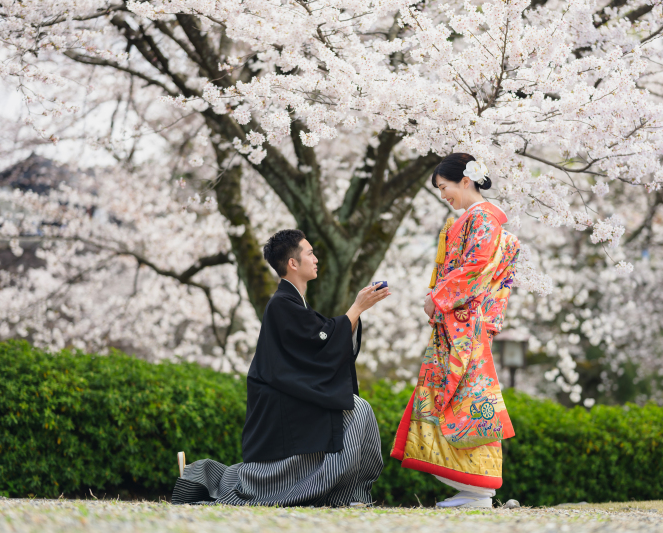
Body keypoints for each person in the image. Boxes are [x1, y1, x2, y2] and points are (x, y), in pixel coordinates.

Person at [172, 229, 390, 507]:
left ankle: (354, 494)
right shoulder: (280, 304)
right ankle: (339, 494)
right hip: (279, 401)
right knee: (355, 411)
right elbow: (319, 342)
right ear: (293, 263)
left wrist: (355, 313)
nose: (316, 258)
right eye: (310, 253)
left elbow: (318, 343)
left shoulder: (292, 304)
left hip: (291, 394)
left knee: (361, 409)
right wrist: (356, 309)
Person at [390, 153, 520, 508]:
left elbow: (477, 266)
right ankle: (474, 489)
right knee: (459, 401)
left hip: (462, 325)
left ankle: (478, 490)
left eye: (445, 187)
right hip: (461, 324)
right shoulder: (476, 219)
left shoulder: (482, 220)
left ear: (466, 181)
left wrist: (440, 297)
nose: (443, 195)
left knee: (458, 401)